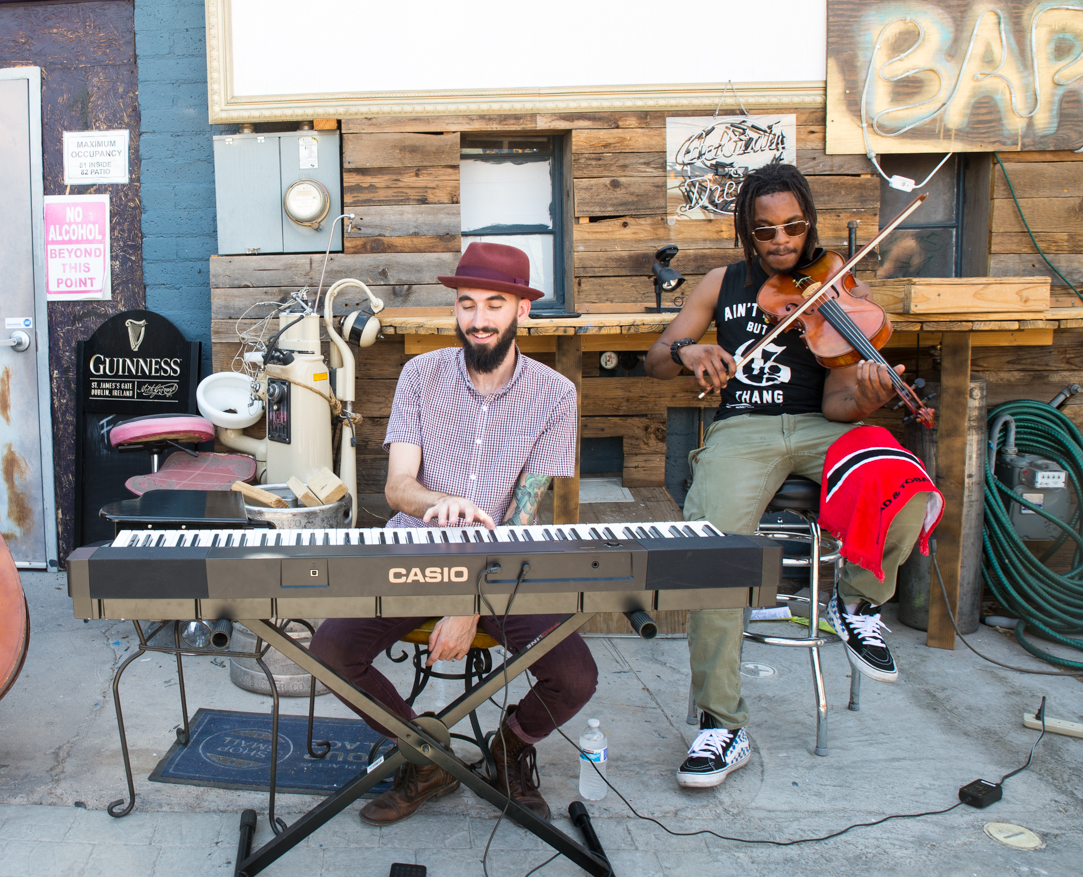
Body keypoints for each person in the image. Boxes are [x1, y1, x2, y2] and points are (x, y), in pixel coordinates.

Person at [644, 162, 925, 788]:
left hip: (822, 427)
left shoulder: (838, 285)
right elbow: (656, 359)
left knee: (904, 481)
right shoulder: (721, 283)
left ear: (809, 224)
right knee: (713, 550)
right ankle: (723, 724)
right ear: (746, 230)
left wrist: (869, 396)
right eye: (765, 230)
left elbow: (839, 405)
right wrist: (689, 350)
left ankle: (856, 601)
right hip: (743, 428)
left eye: (793, 227)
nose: (781, 241)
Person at [309, 242, 597, 825]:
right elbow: (398, 488)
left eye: (495, 304)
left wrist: (469, 602)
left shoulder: (555, 394)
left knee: (574, 677)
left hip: (504, 561)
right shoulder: (421, 374)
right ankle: (424, 758)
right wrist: (439, 502)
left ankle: (509, 748)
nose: (478, 318)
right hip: (414, 550)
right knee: (331, 652)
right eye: (467, 304)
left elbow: (523, 515)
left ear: (523, 311)